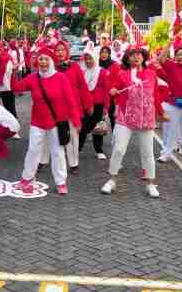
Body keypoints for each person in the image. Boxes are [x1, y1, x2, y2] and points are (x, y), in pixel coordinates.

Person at [12, 47, 81, 195]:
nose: (43, 62)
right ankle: (27, 177)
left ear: (51, 61)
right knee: (33, 150)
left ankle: (61, 182)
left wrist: (76, 120)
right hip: (38, 121)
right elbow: (16, 88)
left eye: (46, 59)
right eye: (40, 59)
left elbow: (71, 101)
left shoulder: (61, 78)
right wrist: (13, 71)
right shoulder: (33, 77)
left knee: (57, 152)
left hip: (56, 122)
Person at [102, 48, 164, 198]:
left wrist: (161, 112)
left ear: (143, 57)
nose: (136, 58)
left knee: (148, 153)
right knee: (119, 149)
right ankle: (112, 179)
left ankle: (150, 183)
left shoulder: (151, 74)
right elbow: (115, 87)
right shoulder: (123, 74)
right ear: (128, 58)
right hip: (126, 116)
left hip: (146, 118)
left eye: (139, 55)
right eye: (132, 55)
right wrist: (113, 91)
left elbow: (155, 95)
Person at [54, 40, 92, 175]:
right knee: (53, 135)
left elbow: (82, 86)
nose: (60, 52)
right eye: (57, 50)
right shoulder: (50, 66)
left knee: (73, 136)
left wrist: (88, 104)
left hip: (72, 106)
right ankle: (47, 161)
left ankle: (73, 163)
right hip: (55, 107)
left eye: (62, 50)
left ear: (66, 52)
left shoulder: (74, 67)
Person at [78, 47, 110, 160]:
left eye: (90, 58)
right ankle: (77, 148)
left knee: (98, 128)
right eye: (86, 59)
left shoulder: (102, 72)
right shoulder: (82, 72)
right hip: (85, 105)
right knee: (82, 128)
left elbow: (106, 90)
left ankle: (99, 150)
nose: (88, 61)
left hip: (98, 104)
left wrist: (106, 106)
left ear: (95, 58)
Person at [99, 45, 120, 130]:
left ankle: (115, 139)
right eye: (102, 52)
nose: (104, 54)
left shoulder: (114, 65)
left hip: (111, 96)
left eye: (106, 52)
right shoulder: (96, 64)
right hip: (100, 96)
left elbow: (119, 80)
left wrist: (114, 88)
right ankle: (98, 137)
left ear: (109, 54)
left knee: (113, 118)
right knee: (99, 119)